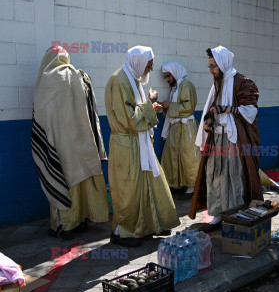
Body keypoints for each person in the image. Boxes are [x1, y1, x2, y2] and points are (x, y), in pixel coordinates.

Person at [105, 46, 180, 247]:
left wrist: (149, 104)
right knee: (127, 189)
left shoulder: (132, 78)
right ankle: (122, 232)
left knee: (148, 183)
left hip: (139, 142)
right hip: (126, 144)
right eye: (149, 65)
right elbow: (128, 119)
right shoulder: (119, 81)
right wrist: (151, 105)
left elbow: (136, 110)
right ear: (138, 63)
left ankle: (147, 226)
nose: (151, 68)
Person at [32, 46, 109, 240]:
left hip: (55, 142)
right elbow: (89, 110)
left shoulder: (43, 82)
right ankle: (80, 220)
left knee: (58, 176)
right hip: (79, 139)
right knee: (80, 178)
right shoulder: (76, 76)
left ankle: (61, 224)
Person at [189, 46, 263, 232]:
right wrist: (208, 119)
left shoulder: (243, 82)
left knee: (233, 175)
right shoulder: (218, 82)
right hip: (216, 137)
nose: (211, 70)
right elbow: (212, 107)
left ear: (222, 64)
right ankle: (216, 215)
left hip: (233, 139)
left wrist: (228, 109)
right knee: (214, 173)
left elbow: (251, 111)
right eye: (210, 66)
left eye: (214, 66)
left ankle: (235, 214)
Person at [159, 62, 201, 200]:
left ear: (175, 73)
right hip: (175, 127)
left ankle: (192, 188)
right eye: (165, 77)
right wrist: (166, 107)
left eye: (168, 76)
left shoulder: (186, 85)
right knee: (172, 155)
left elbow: (188, 107)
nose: (167, 80)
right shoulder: (175, 88)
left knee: (189, 157)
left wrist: (169, 105)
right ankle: (176, 185)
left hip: (186, 127)